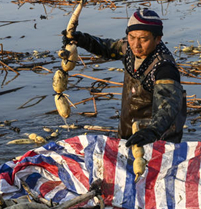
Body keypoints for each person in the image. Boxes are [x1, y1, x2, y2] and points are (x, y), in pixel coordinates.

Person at [64, 8, 186, 146]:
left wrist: (152, 131)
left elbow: (168, 105)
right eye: (132, 37)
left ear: (158, 39)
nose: (136, 45)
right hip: (129, 127)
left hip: (157, 136)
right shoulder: (128, 49)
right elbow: (107, 48)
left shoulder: (164, 68)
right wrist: (81, 40)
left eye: (143, 39)